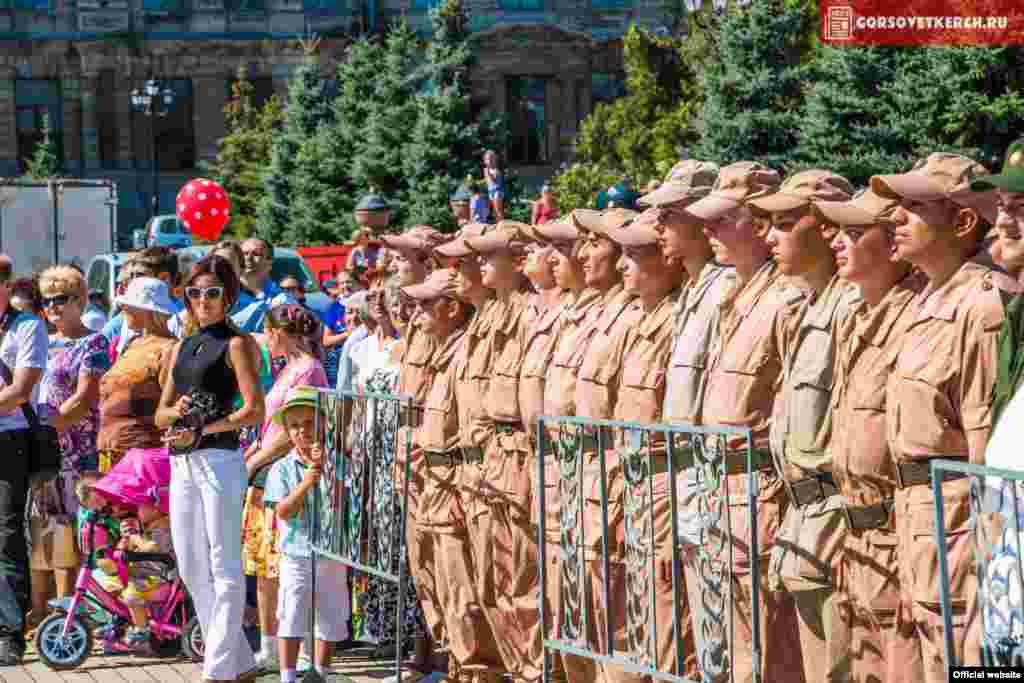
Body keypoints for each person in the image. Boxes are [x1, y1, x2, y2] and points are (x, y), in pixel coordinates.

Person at [873, 152, 1016, 680]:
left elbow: (989, 459)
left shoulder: (985, 306)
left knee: (974, 669)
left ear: (962, 222)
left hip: (962, 540)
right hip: (920, 531)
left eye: (914, 207)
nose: (896, 218)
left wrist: (994, 579)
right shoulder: (925, 298)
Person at [684, 162, 806, 683]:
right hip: (721, 492)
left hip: (758, 495)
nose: (707, 230)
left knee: (764, 649)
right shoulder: (732, 294)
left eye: (721, 220)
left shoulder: (786, 298)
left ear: (757, 224)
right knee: (731, 647)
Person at [748, 169, 858, 683]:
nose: (769, 236)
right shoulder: (809, 307)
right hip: (803, 521)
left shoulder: (851, 309)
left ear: (825, 226)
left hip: (838, 523)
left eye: (785, 223)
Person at [814, 187, 925, 682]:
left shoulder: (914, 318)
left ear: (892, 246)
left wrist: (912, 565)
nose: (838, 243)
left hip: (897, 541)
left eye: (855, 234)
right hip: (856, 537)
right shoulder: (854, 316)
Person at [640, 161, 732, 678]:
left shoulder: (722, 290)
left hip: (713, 479)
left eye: (669, 214)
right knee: (702, 624)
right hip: (687, 479)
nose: (657, 225)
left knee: (723, 634)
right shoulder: (694, 290)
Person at [156, 255, 265, 683]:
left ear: (229, 297)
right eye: (195, 292)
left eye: (212, 292)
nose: (203, 300)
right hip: (182, 462)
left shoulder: (236, 344)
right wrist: (178, 414)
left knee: (223, 564)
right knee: (190, 566)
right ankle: (238, 660)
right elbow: (160, 415)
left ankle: (217, 670)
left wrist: (205, 427)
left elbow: (254, 410)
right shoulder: (183, 346)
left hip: (220, 459)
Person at [462, 223, 535, 682]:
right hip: (488, 462)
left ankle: (529, 671)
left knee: (522, 583)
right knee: (495, 584)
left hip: (515, 462)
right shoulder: (489, 315)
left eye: (491, 256)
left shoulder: (527, 314)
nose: (480, 264)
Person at [241, 304, 327, 673]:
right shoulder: (287, 368)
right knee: (263, 564)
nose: (265, 338)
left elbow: (295, 430)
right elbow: (272, 424)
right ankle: (270, 646)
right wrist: (256, 449)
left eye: (268, 331)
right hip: (268, 469)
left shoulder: (308, 370)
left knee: (287, 566)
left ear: (280, 332)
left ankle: (300, 645)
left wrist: (257, 460)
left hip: (288, 472)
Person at [31, 266, 111, 631]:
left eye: (61, 299)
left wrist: (46, 430)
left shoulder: (93, 343)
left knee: (73, 537)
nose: (53, 307)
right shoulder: (44, 342)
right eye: (46, 301)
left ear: (79, 300)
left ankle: (73, 617)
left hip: (78, 453)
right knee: (44, 533)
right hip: (44, 451)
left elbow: (85, 398)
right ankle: (44, 615)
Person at [264, 386, 350, 683]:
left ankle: (320, 673)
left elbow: (344, 502)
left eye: (310, 423)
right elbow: (283, 510)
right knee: (292, 611)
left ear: (323, 424)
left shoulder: (338, 461)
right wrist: (307, 481)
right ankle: (287, 676)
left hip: (330, 550)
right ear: (288, 432)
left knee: (330, 612)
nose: (303, 431)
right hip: (297, 552)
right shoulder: (282, 468)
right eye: (296, 425)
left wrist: (324, 468)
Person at [0, 254, 49, 665]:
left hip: (9, 440)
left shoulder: (28, 327)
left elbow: (20, 390)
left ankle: (10, 634)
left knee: (6, 536)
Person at [96, 278, 178, 475]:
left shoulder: (169, 349)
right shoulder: (133, 343)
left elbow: (170, 407)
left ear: (147, 311)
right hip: (111, 451)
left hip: (143, 458)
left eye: (129, 304)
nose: (123, 308)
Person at [104, 247, 183, 357]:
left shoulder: (179, 318)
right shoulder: (132, 318)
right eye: (131, 276)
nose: (132, 282)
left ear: (164, 278)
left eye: (140, 275)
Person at [233, 238, 295, 333]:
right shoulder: (222, 296)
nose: (248, 258)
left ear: (269, 262)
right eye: (244, 253)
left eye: (256, 254)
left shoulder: (282, 300)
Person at [483, 150, 505, 222]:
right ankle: (498, 222)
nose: (487, 161)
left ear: (493, 159)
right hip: (490, 191)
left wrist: (488, 173)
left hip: (497, 191)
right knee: (494, 210)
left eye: (489, 159)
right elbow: (487, 182)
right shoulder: (486, 170)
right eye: (486, 159)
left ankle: (501, 223)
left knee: (498, 209)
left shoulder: (495, 170)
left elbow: (494, 180)